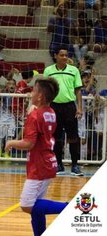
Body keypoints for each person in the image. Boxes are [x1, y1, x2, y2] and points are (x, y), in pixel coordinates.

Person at [5, 78, 69, 236]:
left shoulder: (35, 116)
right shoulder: (51, 112)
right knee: (36, 207)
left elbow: (29, 143)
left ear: (40, 96)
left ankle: (70, 207)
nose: (30, 92)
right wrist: (33, 110)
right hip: (47, 161)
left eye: (33, 90)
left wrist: (11, 142)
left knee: (27, 205)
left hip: (39, 164)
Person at [43, 45, 83, 176]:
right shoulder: (48, 70)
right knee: (56, 138)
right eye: (62, 55)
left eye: (66, 55)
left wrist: (79, 108)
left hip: (70, 107)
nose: (65, 57)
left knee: (73, 137)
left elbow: (78, 90)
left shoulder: (74, 70)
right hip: (54, 107)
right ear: (56, 56)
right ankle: (58, 165)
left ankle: (75, 165)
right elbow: (45, 90)